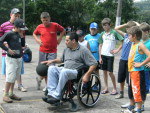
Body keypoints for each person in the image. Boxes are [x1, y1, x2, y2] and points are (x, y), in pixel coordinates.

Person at [41, 32, 97, 104]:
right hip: (65, 69)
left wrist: (87, 75)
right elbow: (61, 60)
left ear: (73, 41)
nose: (65, 42)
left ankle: (56, 96)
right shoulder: (66, 49)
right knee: (51, 68)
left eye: (67, 40)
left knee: (64, 71)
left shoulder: (83, 50)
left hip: (76, 72)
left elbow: (94, 63)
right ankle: (51, 94)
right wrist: (52, 61)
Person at [33, 12, 65, 91]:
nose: (45, 22)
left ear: (49, 18)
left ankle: (48, 86)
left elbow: (63, 30)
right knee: (42, 69)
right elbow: (34, 33)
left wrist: (60, 38)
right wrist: (37, 40)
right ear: (41, 20)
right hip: (42, 51)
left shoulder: (55, 25)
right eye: (43, 20)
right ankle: (40, 78)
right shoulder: (40, 27)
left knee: (51, 69)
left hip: (52, 52)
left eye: (46, 20)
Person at [122, 26, 150, 113]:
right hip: (132, 71)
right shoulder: (133, 43)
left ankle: (138, 109)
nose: (128, 37)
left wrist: (141, 64)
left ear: (134, 36)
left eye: (129, 35)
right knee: (131, 90)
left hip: (137, 72)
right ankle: (133, 106)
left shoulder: (140, 44)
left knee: (137, 90)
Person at [0, 19, 28, 103]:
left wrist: (22, 36)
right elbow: (0, 41)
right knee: (10, 77)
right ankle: (5, 95)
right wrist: (7, 49)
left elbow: (22, 45)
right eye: (21, 28)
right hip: (11, 59)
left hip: (19, 58)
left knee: (15, 77)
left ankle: (11, 93)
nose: (22, 30)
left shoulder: (20, 34)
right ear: (15, 27)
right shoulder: (9, 34)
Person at [99, 18, 124, 95]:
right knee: (104, 72)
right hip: (103, 55)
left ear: (110, 25)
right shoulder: (102, 34)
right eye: (103, 25)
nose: (105, 27)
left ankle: (114, 88)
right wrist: (100, 57)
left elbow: (123, 41)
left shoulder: (114, 32)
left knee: (110, 72)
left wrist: (117, 50)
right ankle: (106, 87)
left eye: (106, 25)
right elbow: (100, 45)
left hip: (110, 56)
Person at [114, 21, 137, 99]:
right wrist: (125, 24)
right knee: (121, 77)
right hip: (122, 59)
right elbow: (116, 28)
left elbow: (140, 29)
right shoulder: (126, 35)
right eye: (126, 28)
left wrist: (135, 24)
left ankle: (131, 95)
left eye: (128, 28)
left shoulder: (134, 37)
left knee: (129, 80)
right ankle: (121, 93)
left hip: (130, 60)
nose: (127, 29)